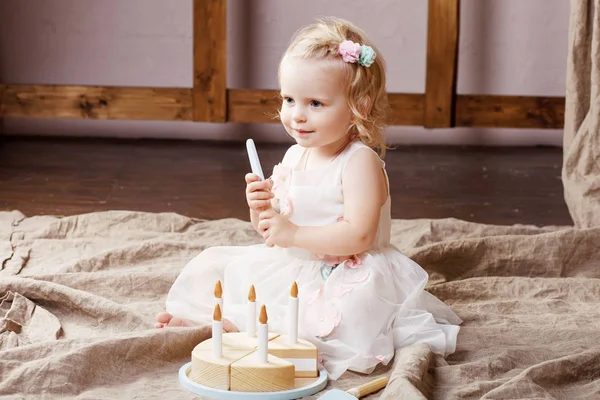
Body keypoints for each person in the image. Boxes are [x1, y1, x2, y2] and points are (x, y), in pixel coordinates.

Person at [156, 16, 461, 380]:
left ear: (358, 106)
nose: (296, 115)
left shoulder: (359, 162)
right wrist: (262, 211)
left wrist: (293, 234)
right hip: (294, 263)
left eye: (315, 103)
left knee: (345, 312)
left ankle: (265, 336)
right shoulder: (294, 156)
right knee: (219, 269)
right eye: (288, 99)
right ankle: (234, 325)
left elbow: (359, 236)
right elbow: (275, 229)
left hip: (351, 270)